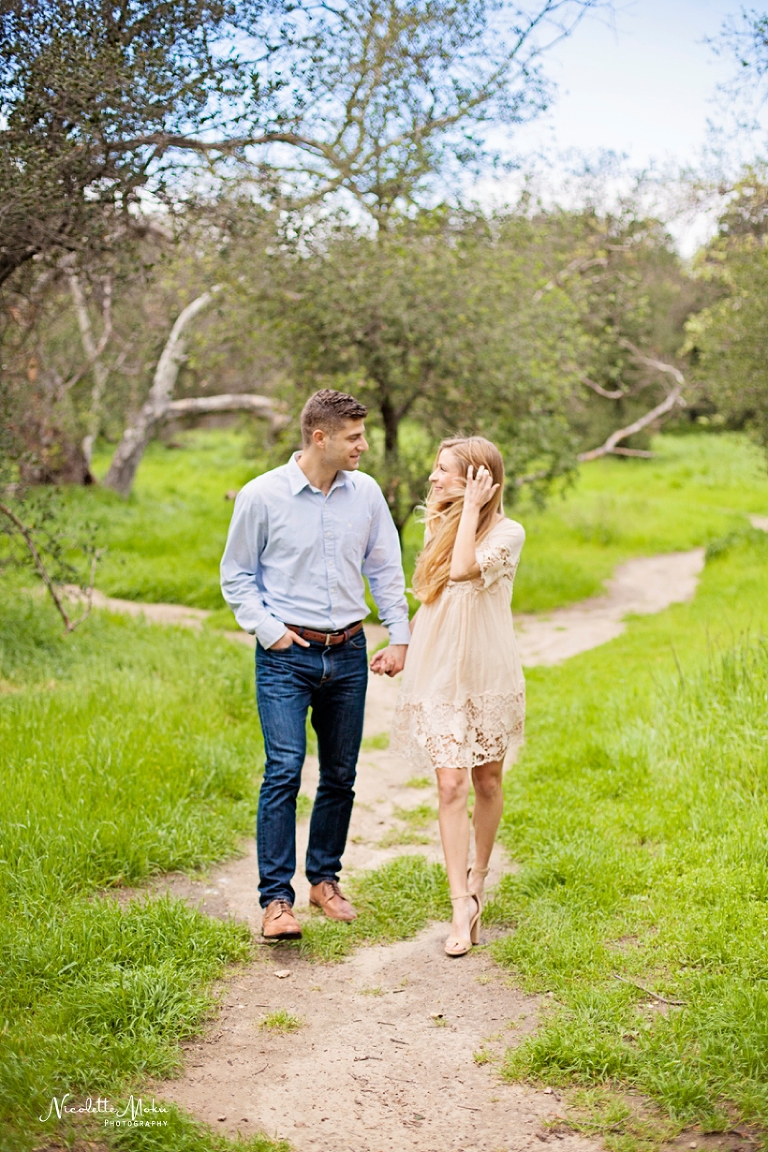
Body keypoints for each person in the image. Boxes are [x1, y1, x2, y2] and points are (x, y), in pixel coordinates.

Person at [220, 389, 410, 941]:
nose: (364, 445)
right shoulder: (261, 497)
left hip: (349, 653)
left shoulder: (367, 493)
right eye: (354, 437)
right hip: (287, 656)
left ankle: (324, 879)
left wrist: (399, 636)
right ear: (319, 437)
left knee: (341, 774)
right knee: (283, 770)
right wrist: (270, 632)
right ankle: (276, 901)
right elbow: (236, 575)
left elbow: (385, 570)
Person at [392, 437, 525, 957]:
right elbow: (432, 595)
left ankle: (479, 882)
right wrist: (400, 643)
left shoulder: (509, 532)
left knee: (486, 780)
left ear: (476, 480)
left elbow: (467, 569)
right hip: (441, 669)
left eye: (444, 471)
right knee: (450, 785)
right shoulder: (437, 523)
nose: (432, 479)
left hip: (486, 671)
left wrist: (469, 510)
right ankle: (458, 904)